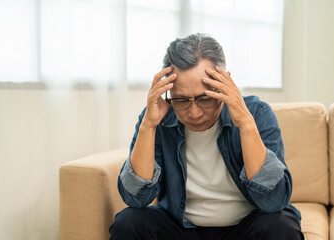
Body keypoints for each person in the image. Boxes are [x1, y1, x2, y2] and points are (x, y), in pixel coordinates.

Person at [109, 33, 304, 240]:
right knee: (128, 222)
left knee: (281, 225)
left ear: (224, 83)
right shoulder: (157, 118)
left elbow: (274, 201)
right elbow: (136, 199)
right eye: (182, 100)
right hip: (181, 230)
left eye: (204, 98)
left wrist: (246, 125)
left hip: (244, 229)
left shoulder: (257, 114)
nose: (194, 113)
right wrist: (148, 125)